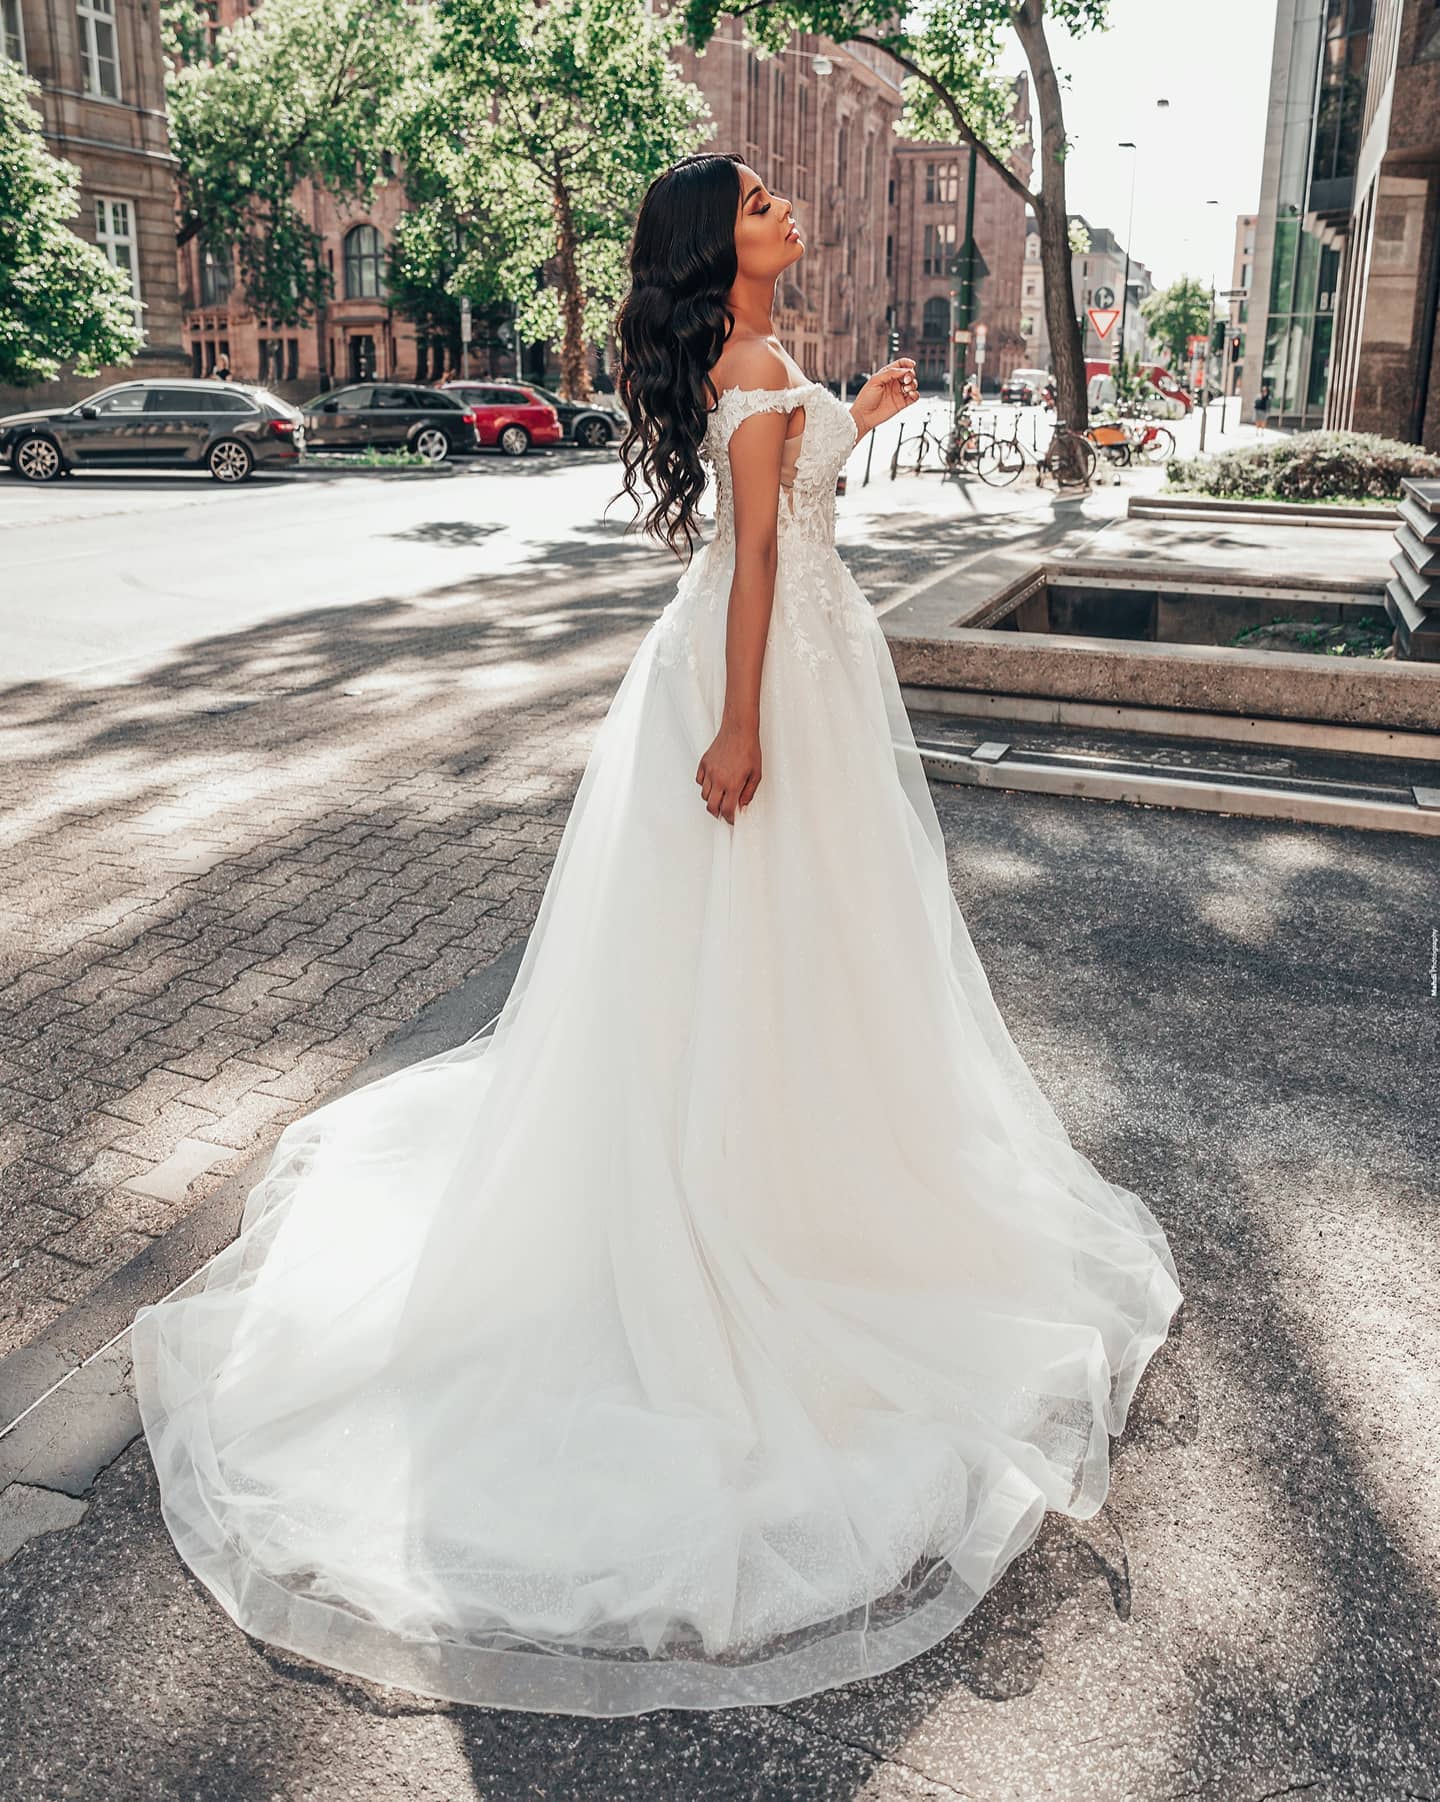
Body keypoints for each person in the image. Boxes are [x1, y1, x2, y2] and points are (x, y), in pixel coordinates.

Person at [131, 152, 1183, 1720]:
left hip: (790, 668)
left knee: (803, 957)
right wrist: (743, 726)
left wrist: (864, 415)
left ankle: (783, 1162)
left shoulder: (760, 360)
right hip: (761, 684)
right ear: (717, 249)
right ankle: (736, 1198)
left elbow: (787, 491)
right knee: (762, 948)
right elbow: (758, 554)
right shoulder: (749, 362)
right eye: (760, 206)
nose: (786, 212)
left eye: (779, 199)